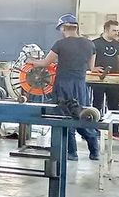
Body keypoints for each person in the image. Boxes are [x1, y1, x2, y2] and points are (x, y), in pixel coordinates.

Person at [41, 13, 99, 161]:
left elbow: (45, 63)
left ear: (62, 28)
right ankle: (94, 152)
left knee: (65, 117)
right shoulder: (90, 44)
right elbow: (92, 67)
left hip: (64, 85)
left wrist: (31, 61)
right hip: (80, 85)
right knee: (83, 115)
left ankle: (72, 153)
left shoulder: (60, 44)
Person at [90, 20, 119, 144]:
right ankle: (93, 129)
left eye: (117, 30)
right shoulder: (95, 43)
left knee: (114, 104)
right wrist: (92, 68)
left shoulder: (116, 44)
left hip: (113, 78)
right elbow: (89, 58)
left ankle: (114, 130)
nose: (116, 33)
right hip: (98, 78)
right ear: (106, 30)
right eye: (114, 30)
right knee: (97, 103)